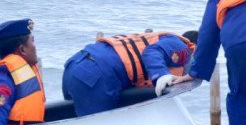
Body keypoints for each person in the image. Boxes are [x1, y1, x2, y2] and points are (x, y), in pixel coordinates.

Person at [62, 30, 198, 116]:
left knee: (74, 119)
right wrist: (162, 76)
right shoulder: (183, 49)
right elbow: (152, 52)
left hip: (75, 66)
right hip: (97, 75)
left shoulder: (161, 38)